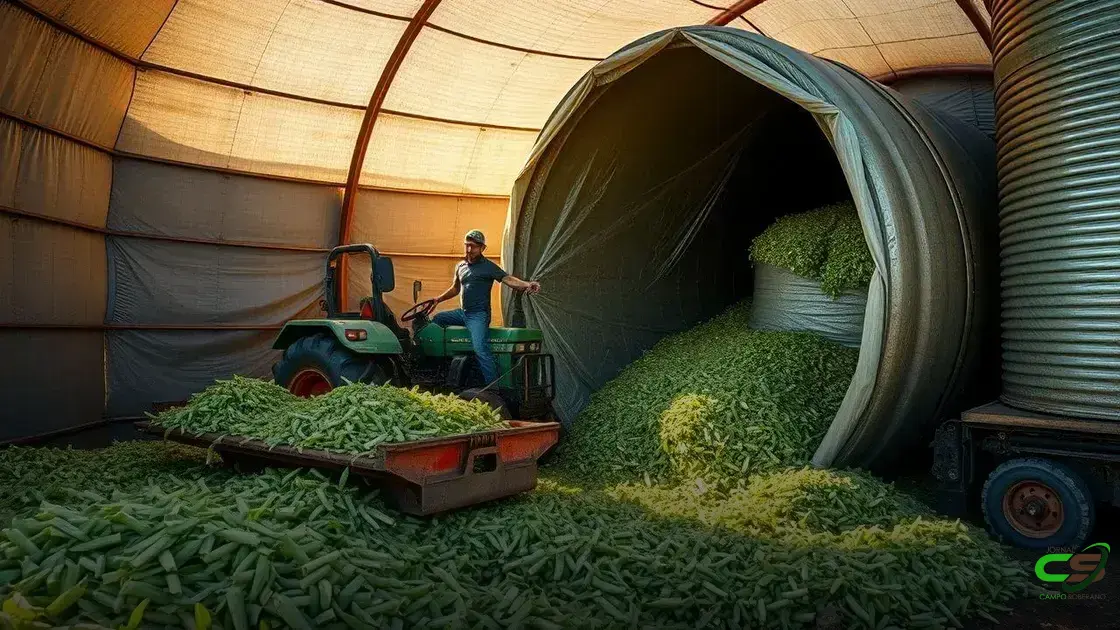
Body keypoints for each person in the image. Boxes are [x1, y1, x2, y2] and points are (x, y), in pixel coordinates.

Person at [430, 230, 540, 385]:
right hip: (463, 313)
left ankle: (494, 388)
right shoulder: (460, 266)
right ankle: (440, 372)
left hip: (478, 315)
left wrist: (527, 284)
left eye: (473, 247)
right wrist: (438, 299)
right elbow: (455, 288)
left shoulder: (488, 267)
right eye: (466, 245)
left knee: (481, 349)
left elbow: (508, 279)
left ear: (482, 248)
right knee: (437, 320)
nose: (469, 250)